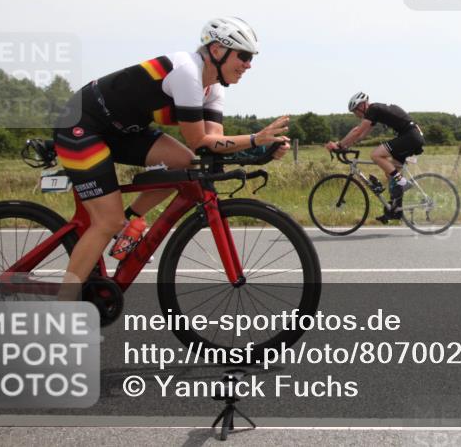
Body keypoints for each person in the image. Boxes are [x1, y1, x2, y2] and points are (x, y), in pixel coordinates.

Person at [52, 17, 290, 299]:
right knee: (106, 221)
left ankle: (129, 222)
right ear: (216, 51)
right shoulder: (186, 72)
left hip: (121, 131)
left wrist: (261, 150)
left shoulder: (212, 88)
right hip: (82, 126)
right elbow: (199, 140)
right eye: (244, 56)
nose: (249, 65)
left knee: (185, 163)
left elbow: (212, 144)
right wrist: (254, 139)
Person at [325, 92, 424, 220]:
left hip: (410, 137)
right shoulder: (375, 112)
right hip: (411, 137)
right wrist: (344, 146)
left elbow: (358, 131)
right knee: (390, 174)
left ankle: (403, 182)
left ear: (362, 105)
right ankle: (396, 210)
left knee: (376, 155)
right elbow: (360, 134)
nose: (356, 115)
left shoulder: (373, 109)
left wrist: (339, 144)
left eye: (355, 111)